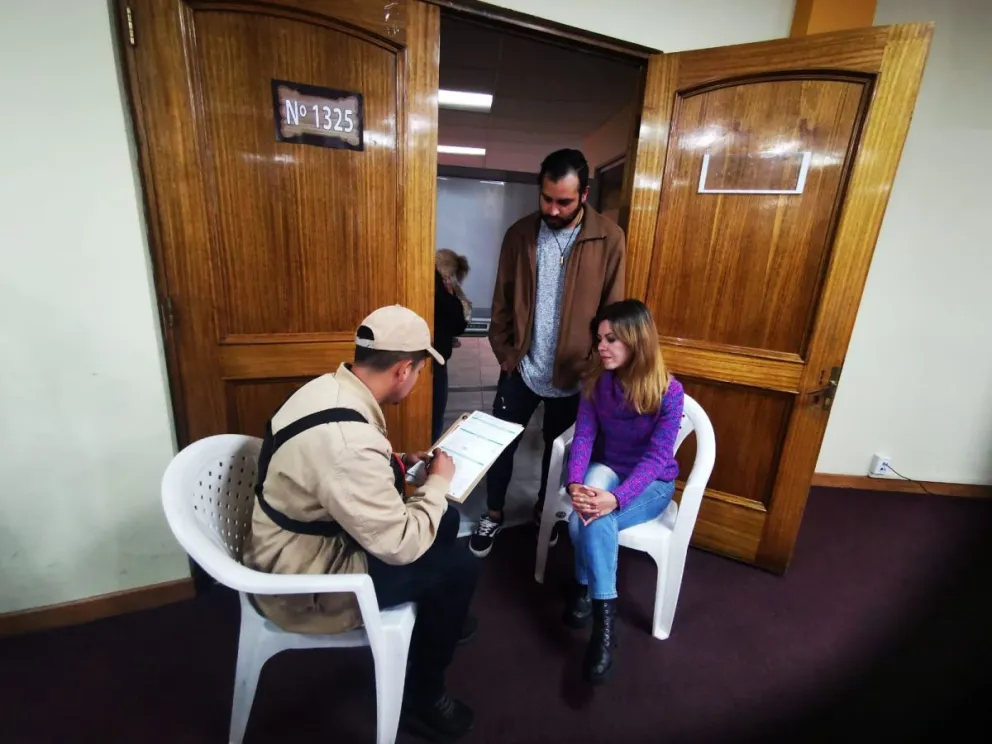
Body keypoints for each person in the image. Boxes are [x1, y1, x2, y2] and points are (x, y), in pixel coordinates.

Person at [242, 305, 479, 741]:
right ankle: (423, 698)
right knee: (460, 565)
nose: (417, 380)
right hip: (302, 581)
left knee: (443, 521)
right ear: (404, 369)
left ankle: (441, 611)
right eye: (420, 371)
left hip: (300, 536)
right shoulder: (349, 441)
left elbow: (332, 470)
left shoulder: (330, 388)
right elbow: (401, 545)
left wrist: (394, 462)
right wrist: (440, 481)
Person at [469, 149, 626, 558]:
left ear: (585, 194)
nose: (553, 209)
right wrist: (506, 355)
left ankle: (545, 512)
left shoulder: (609, 238)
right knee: (500, 446)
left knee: (560, 456)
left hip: (575, 375)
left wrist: (596, 367)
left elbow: (613, 310)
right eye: (547, 199)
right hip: (521, 369)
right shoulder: (520, 234)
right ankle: (494, 512)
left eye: (564, 202)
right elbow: (502, 300)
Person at [563, 299, 684, 685]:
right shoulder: (597, 381)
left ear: (636, 340)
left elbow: (656, 459)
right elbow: (583, 436)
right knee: (583, 506)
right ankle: (592, 596)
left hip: (653, 484)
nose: (602, 346)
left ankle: (600, 619)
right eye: (600, 338)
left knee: (594, 517)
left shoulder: (669, 391)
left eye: (612, 339)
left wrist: (615, 499)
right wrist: (575, 484)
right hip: (609, 470)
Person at [433, 251, 470, 443]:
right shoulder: (441, 291)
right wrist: (454, 294)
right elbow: (460, 321)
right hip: (434, 358)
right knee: (435, 413)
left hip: (431, 355)